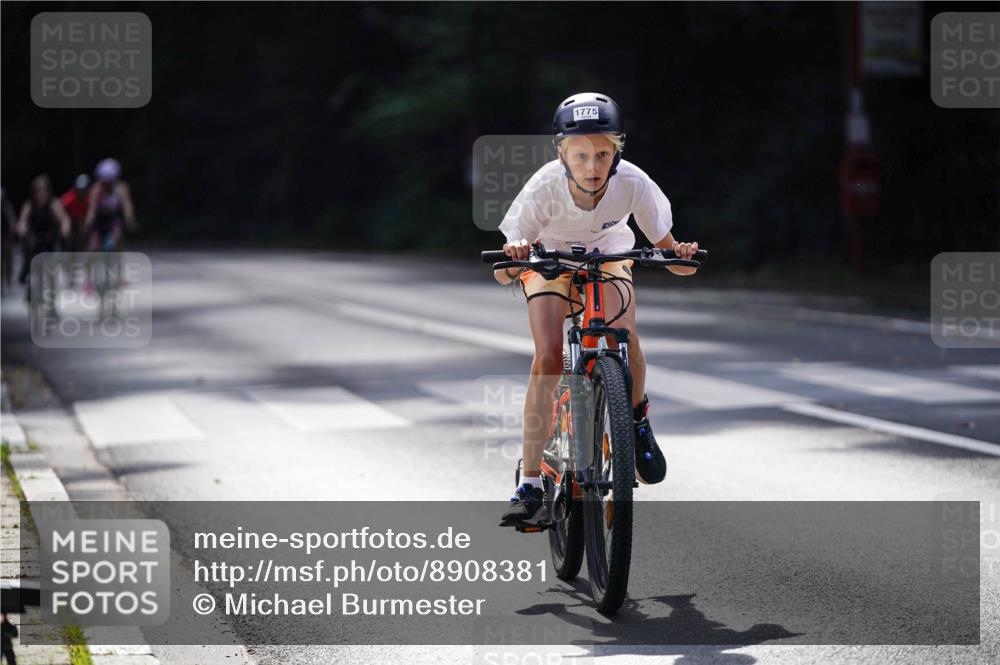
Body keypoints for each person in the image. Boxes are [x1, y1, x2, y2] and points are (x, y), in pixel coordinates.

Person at [494, 92, 700, 527]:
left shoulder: (634, 184)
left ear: (617, 152)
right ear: (562, 155)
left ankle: (635, 419)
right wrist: (515, 255)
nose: (592, 166)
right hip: (550, 261)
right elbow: (503, 273)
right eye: (581, 155)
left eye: (603, 154)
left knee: (624, 336)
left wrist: (680, 254)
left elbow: (674, 259)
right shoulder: (544, 187)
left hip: (608, 256)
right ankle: (529, 484)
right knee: (548, 357)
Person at [15, 175, 70, 286]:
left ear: (48, 191)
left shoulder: (53, 203)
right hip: (35, 239)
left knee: (51, 266)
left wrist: (65, 228)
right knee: (30, 260)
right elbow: (22, 220)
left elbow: (64, 218)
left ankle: (52, 288)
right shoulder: (29, 205)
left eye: (44, 190)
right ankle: (27, 275)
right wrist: (21, 228)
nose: (41, 194)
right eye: (38, 191)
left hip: (50, 239)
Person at [84, 158, 137, 252]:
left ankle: (118, 260)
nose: (106, 185)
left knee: (118, 237)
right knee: (93, 246)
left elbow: (127, 205)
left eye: (109, 182)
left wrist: (130, 219)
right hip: (99, 219)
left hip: (113, 218)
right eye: (104, 182)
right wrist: (89, 221)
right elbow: (92, 208)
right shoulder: (96, 189)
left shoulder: (121, 188)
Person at [60, 174, 92, 252]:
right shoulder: (69, 198)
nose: (81, 192)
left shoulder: (90, 198)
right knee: (66, 233)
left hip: (82, 220)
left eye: (83, 190)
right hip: (70, 219)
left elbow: (91, 212)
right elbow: (60, 208)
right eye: (79, 189)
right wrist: (65, 221)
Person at [1, 187, 16, 290]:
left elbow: (11, 220)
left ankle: (9, 278)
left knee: (8, 256)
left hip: (6, 236)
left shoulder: (7, 207)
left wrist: (12, 229)